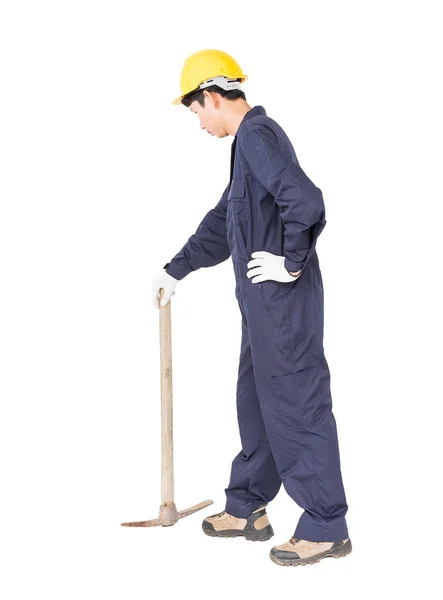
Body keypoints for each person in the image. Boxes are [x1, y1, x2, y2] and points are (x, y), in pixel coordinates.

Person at [152, 49, 352, 567]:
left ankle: (326, 524)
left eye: (196, 111)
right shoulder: (245, 149)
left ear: (213, 97)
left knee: (296, 404)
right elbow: (225, 221)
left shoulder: (258, 138)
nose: (198, 122)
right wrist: (177, 268)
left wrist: (291, 261)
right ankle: (247, 506)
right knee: (256, 401)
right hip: (262, 308)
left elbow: (305, 201)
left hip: (284, 305)